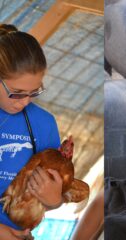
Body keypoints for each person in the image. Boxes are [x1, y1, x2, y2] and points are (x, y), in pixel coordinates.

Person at [0, 24, 63, 239]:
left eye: (34, 92)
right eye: (16, 93)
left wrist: (54, 200)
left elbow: (52, 192)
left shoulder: (43, 124)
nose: (25, 102)